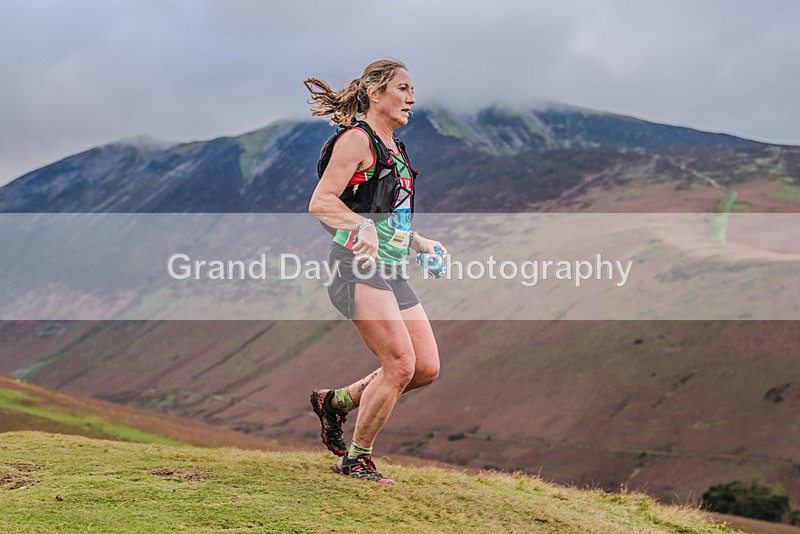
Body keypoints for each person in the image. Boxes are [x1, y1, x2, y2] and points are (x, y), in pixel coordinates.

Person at [304, 59, 446, 484]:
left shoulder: (395, 146)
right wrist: (360, 226)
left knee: (424, 368)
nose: (412, 98)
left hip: (390, 266)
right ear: (375, 93)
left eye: (412, 91)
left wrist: (419, 243)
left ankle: (337, 402)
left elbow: (386, 214)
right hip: (355, 265)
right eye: (403, 89)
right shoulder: (357, 140)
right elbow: (322, 202)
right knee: (399, 364)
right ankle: (356, 460)